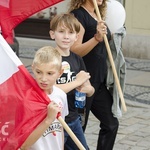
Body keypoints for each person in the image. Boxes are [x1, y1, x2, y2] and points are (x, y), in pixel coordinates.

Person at [68, 0, 119, 149]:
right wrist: (96, 38)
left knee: (111, 124)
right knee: (78, 128)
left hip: (99, 82)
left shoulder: (98, 16)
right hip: (83, 83)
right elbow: (74, 50)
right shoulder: (78, 16)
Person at [49, 13, 95, 150]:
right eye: (61, 32)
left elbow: (90, 89)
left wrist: (88, 90)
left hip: (73, 118)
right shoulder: (49, 58)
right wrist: (76, 82)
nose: (66, 36)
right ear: (52, 34)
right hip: (55, 121)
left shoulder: (77, 59)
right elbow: (49, 90)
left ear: (76, 37)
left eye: (71, 32)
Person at [20, 46, 68, 150]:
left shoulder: (61, 95)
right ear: (33, 68)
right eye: (39, 72)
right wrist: (48, 119)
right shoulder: (27, 99)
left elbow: (61, 128)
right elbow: (24, 145)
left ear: (60, 72)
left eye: (50, 73)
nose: (43, 78)